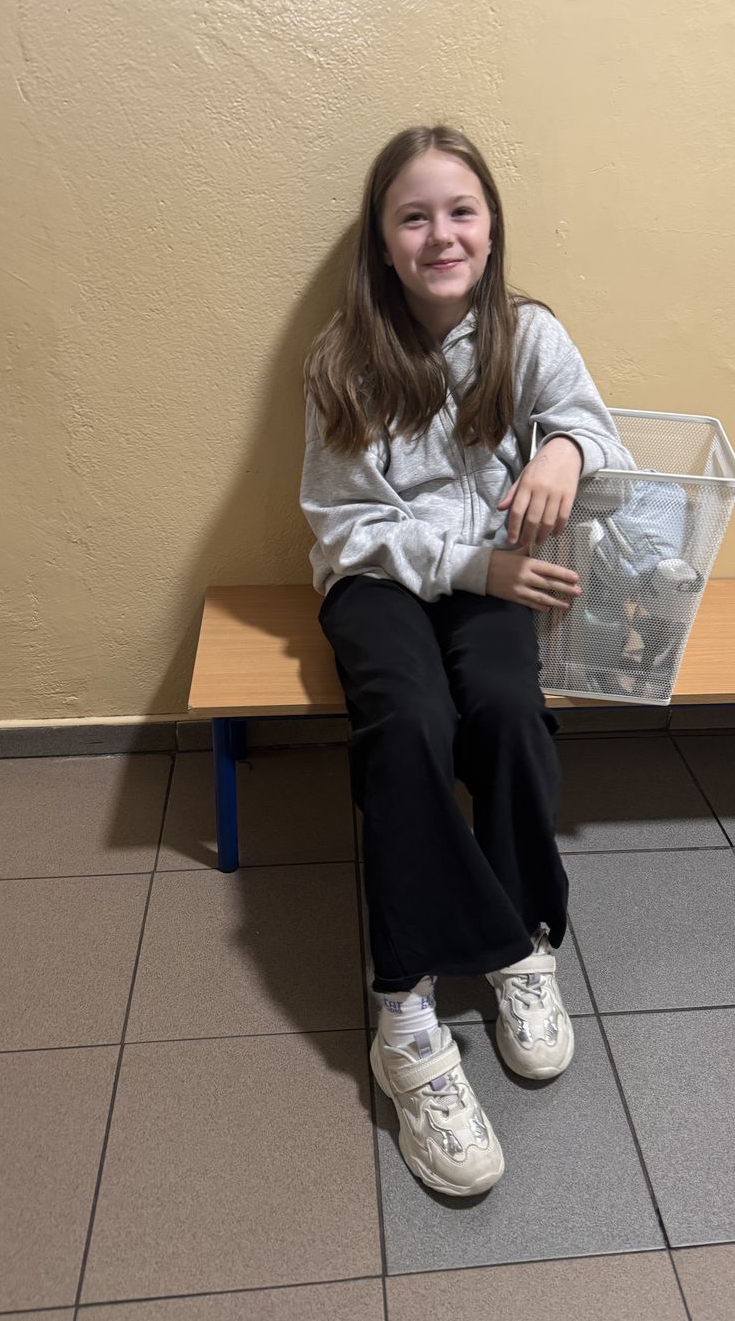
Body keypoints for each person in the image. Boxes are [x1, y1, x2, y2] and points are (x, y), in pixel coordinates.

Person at [299, 124, 633, 1197]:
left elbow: (610, 449)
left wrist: (568, 448)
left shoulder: (529, 335)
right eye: (414, 217)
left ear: (490, 228)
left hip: (499, 574)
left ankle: (520, 938)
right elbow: (344, 525)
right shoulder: (343, 358)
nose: (440, 235)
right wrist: (473, 566)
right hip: (383, 579)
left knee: (503, 703)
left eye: (461, 212)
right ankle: (404, 1009)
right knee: (409, 721)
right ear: (382, 239)